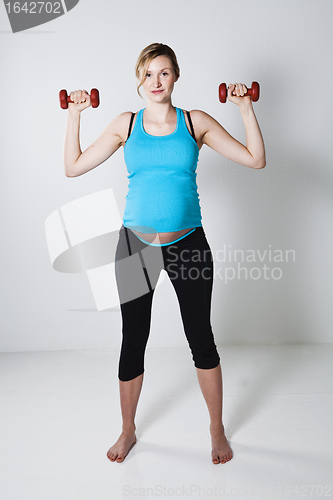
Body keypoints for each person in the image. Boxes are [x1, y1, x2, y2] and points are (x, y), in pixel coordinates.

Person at [63, 43, 266, 465]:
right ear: (139, 79)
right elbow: (74, 166)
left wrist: (245, 108)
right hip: (135, 246)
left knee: (201, 338)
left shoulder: (195, 123)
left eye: (165, 73)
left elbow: (255, 159)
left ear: (176, 77)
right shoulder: (126, 124)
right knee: (133, 339)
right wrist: (74, 115)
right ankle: (128, 430)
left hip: (188, 243)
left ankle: (216, 430)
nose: (156, 82)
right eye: (149, 74)